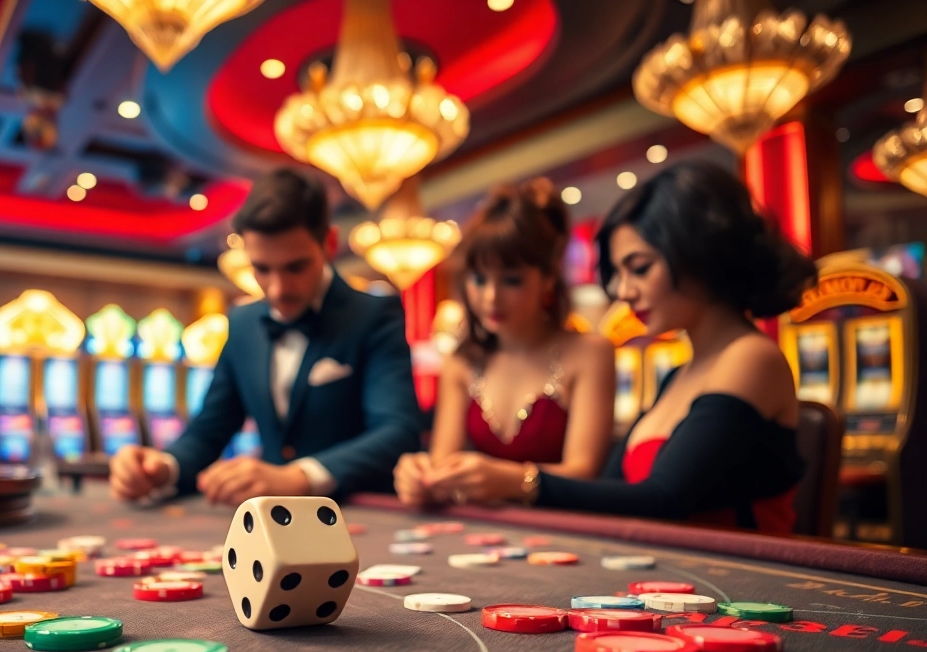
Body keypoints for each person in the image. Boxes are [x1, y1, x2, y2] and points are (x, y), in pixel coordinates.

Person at [422, 162, 817, 534]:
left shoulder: (751, 357)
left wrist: (518, 481)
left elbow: (664, 498)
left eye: (640, 268)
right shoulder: (683, 373)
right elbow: (614, 490)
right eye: (621, 272)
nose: (625, 292)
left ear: (699, 254)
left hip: (743, 592)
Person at [110, 168, 422, 505]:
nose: (277, 289)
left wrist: (297, 477)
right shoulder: (242, 323)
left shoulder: (376, 315)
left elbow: (396, 433)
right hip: (271, 521)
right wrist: (161, 468)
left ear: (329, 245)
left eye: (295, 267)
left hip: (360, 514)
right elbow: (208, 431)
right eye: (262, 268)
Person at [394, 179, 614, 506]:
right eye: (479, 279)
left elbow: (584, 474)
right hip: (487, 537)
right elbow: (442, 467)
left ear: (549, 276)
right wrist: (419, 477)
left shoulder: (590, 353)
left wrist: (511, 480)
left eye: (512, 280)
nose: (491, 297)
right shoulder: (461, 361)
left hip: (567, 531)